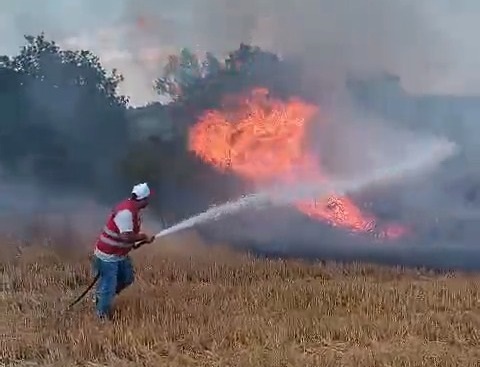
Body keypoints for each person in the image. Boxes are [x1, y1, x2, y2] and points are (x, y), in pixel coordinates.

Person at [92, 182, 155, 320]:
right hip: (107, 256)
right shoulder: (126, 212)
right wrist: (143, 236)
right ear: (142, 199)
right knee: (109, 286)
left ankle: (101, 296)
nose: (149, 201)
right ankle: (101, 316)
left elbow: (128, 236)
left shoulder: (133, 209)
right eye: (147, 198)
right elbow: (125, 237)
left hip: (119, 254)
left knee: (127, 278)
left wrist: (141, 240)